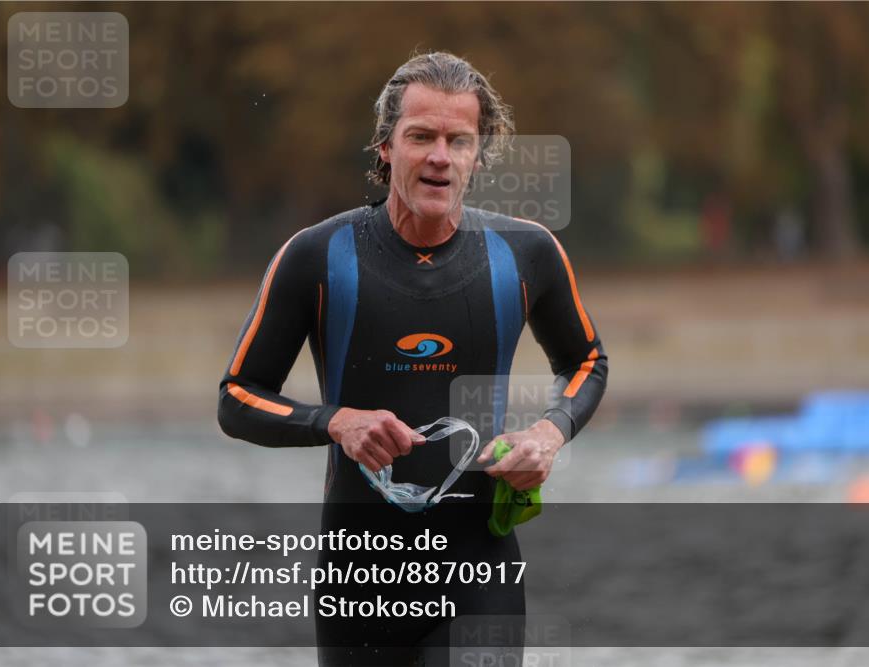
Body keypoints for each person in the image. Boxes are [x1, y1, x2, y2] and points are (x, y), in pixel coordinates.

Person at [218, 51, 607, 666]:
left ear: (479, 155)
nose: (439, 156)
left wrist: (548, 433)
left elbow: (587, 361)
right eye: (421, 136)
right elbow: (237, 397)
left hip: (479, 574)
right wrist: (334, 421)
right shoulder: (317, 256)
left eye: (459, 140)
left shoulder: (526, 253)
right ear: (385, 147)